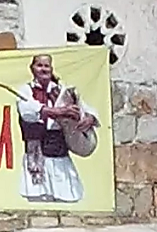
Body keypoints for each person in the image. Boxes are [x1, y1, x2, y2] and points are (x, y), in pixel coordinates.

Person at [17, 53, 98, 204]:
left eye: (46, 66)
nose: (43, 69)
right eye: (39, 65)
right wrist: (59, 111)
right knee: (38, 198)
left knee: (66, 197)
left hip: (59, 151)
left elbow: (86, 109)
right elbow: (28, 110)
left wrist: (90, 118)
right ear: (32, 68)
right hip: (37, 152)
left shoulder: (61, 91)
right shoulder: (26, 90)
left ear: (51, 69)